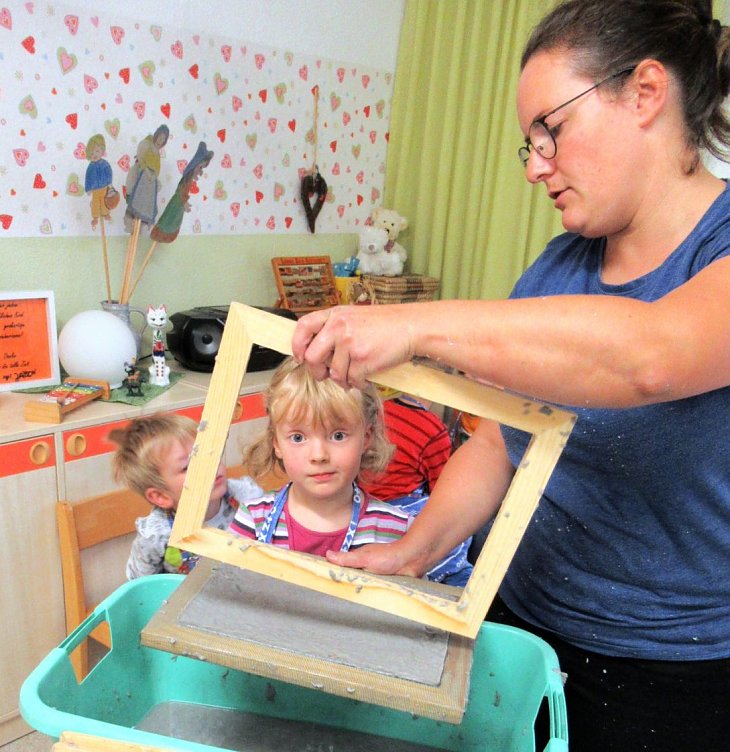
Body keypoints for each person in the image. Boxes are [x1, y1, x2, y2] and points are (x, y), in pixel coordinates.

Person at [289, 1, 730, 749]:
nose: (535, 167)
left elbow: (651, 356)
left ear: (646, 93)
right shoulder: (557, 268)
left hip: (674, 674)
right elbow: (500, 442)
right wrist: (416, 550)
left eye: (550, 130)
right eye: (529, 143)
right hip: (521, 625)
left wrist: (415, 326)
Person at [229, 356, 411, 556]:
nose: (319, 455)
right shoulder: (252, 520)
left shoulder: (397, 533)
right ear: (277, 444)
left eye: (338, 435)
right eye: (298, 438)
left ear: (366, 438)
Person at [109, 412, 262, 579]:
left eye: (209, 454)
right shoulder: (156, 535)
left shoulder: (247, 496)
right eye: (187, 466)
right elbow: (141, 586)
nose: (210, 465)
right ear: (161, 496)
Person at [360, 394, 472, 586]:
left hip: (362, 499)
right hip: (401, 506)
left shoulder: (379, 409)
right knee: (458, 526)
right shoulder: (433, 429)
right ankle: (457, 577)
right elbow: (441, 487)